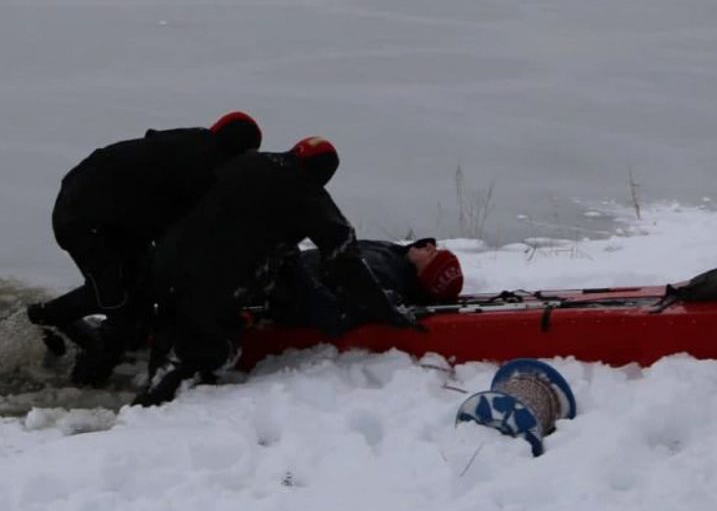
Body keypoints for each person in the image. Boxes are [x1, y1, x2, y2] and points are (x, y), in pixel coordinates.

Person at [134, 136, 420, 406]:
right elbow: (344, 258)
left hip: (167, 261)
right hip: (210, 280)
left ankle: (152, 376)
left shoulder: (246, 162)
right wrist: (383, 309)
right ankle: (155, 409)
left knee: (172, 328)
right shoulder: (306, 192)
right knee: (214, 350)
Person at [27, 111, 262, 386]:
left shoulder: (192, 143)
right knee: (118, 302)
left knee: (136, 283)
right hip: (87, 220)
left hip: (103, 212)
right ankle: (83, 385)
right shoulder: (204, 168)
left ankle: (56, 318)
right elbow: (185, 232)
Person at [267, 237, 464, 333]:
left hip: (278, 283)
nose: (430, 246)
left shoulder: (388, 275)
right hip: (276, 269)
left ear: (424, 273)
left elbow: (361, 298)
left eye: (432, 254)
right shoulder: (397, 256)